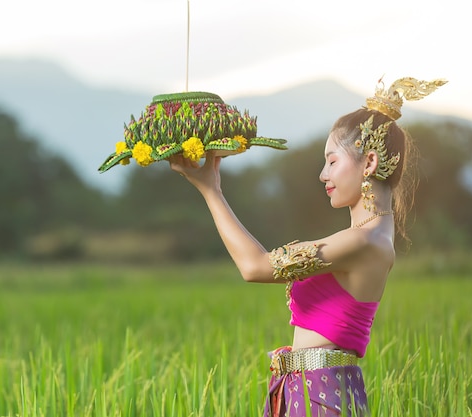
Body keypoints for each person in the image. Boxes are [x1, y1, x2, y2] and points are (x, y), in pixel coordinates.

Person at [168, 77, 446, 416]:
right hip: (313, 390)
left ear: (369, 163)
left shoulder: (363, 241)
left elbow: (255, 266)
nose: (322, 175)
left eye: (332, 161)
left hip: (321, 397)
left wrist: (211, 190)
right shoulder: (370, 237)